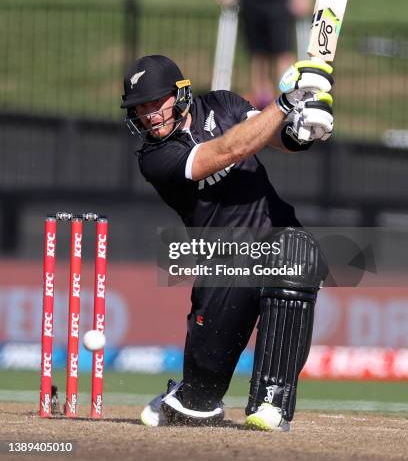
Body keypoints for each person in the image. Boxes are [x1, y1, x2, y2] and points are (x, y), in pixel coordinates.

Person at [121, 54, 333, 431]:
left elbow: (274, 136)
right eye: (140, 108)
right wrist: (285, 102)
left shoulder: (223, 103)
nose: (149, 114)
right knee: (196, 408)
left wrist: (302, 127)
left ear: (180, 94)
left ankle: (272, 401)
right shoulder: (154, 158)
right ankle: (188, 395)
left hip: (274, 234)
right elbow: (224, 152)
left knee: (298, 253)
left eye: (156, 103)